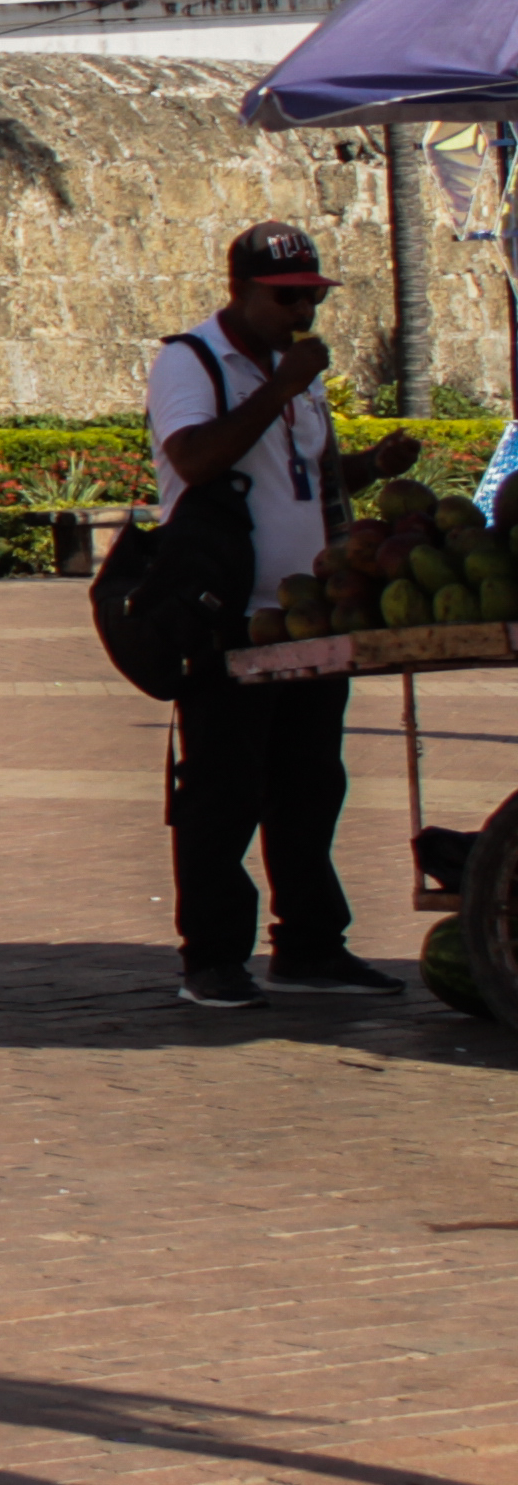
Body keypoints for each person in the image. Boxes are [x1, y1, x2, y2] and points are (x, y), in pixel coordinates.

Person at [146, 221, 419, 1009]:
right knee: (223, 791)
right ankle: (213, 957)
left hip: (308, 612)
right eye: (288, 298)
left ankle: (309, 943)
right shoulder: (192, 362)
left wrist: (373, 468)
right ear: (242, 291)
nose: (304, 312)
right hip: (229, 613)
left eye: (312, 298)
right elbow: (195, 459)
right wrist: (282, 386)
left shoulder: (295, 373)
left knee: (309, 784)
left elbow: (310, 479)